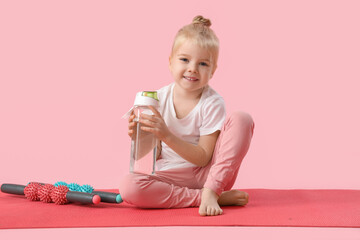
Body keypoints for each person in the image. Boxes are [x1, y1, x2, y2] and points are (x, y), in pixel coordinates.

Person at [119, 15, 255, 216]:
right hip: (171, 175)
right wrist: (141, 138)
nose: (192, 68)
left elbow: (202, 158)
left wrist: (166, 135)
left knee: (242, 119)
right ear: (170, 62)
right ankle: (206, 197)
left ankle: (211, 190)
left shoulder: (212, 102)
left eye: (203, 64)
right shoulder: (158, 99)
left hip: (207, 174)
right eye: (184, 59)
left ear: (213, 71)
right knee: (129, 186)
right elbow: (153, 158)